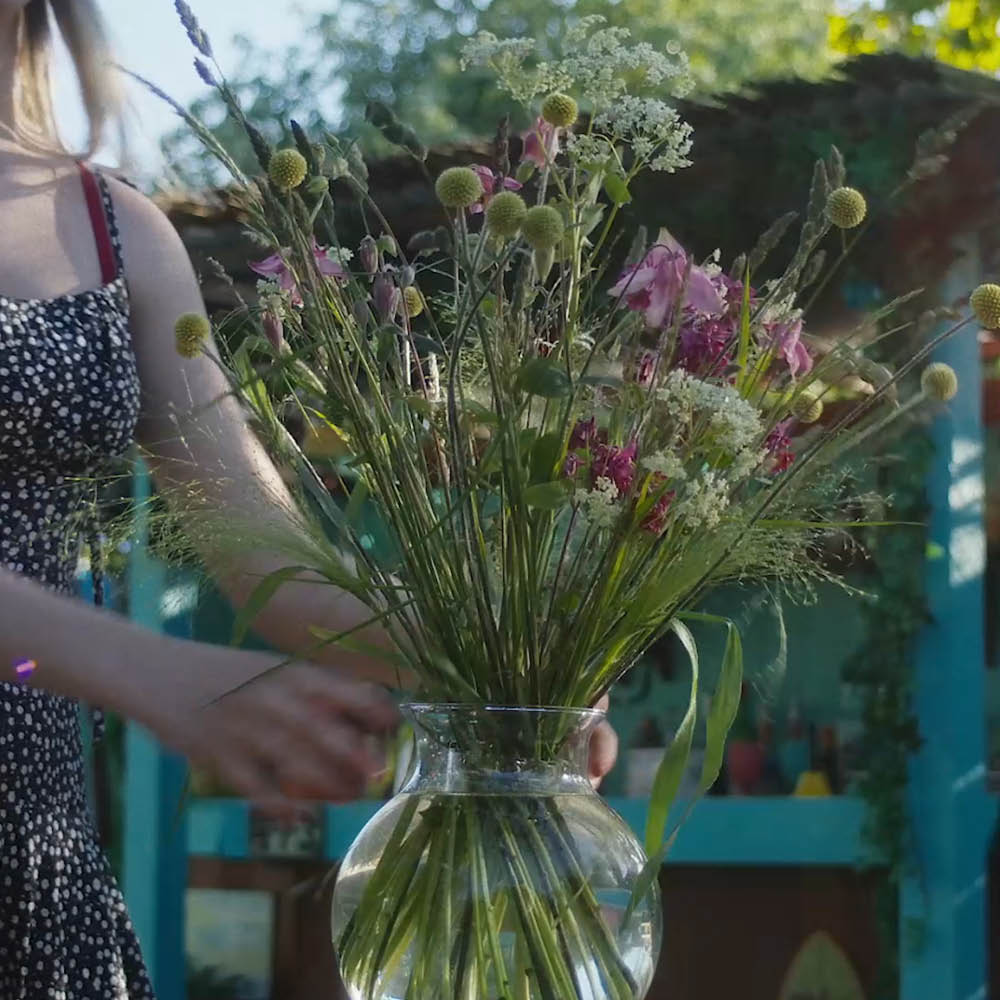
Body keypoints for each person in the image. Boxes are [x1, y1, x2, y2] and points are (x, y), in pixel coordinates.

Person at [0, 2, 618, 997]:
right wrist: (158, 675)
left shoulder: (115, 229)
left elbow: (271, 565)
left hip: (35, 858)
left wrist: (502, 661)